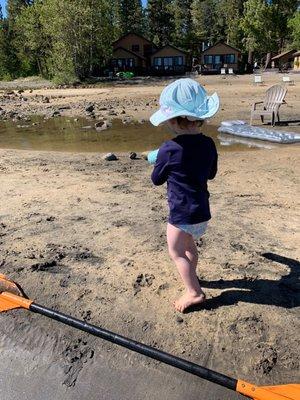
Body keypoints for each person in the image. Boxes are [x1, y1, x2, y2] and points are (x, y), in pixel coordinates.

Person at [149, 78, 219, 313]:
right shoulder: (209, 144)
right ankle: (193, 277)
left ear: (173, 120)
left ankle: (194, 292)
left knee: (176, 251)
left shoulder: (169, 149)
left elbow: (156, 179)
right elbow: (211, 174)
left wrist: (159, 159)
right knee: (189, 246)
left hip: (181, 213)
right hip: (202, 212)